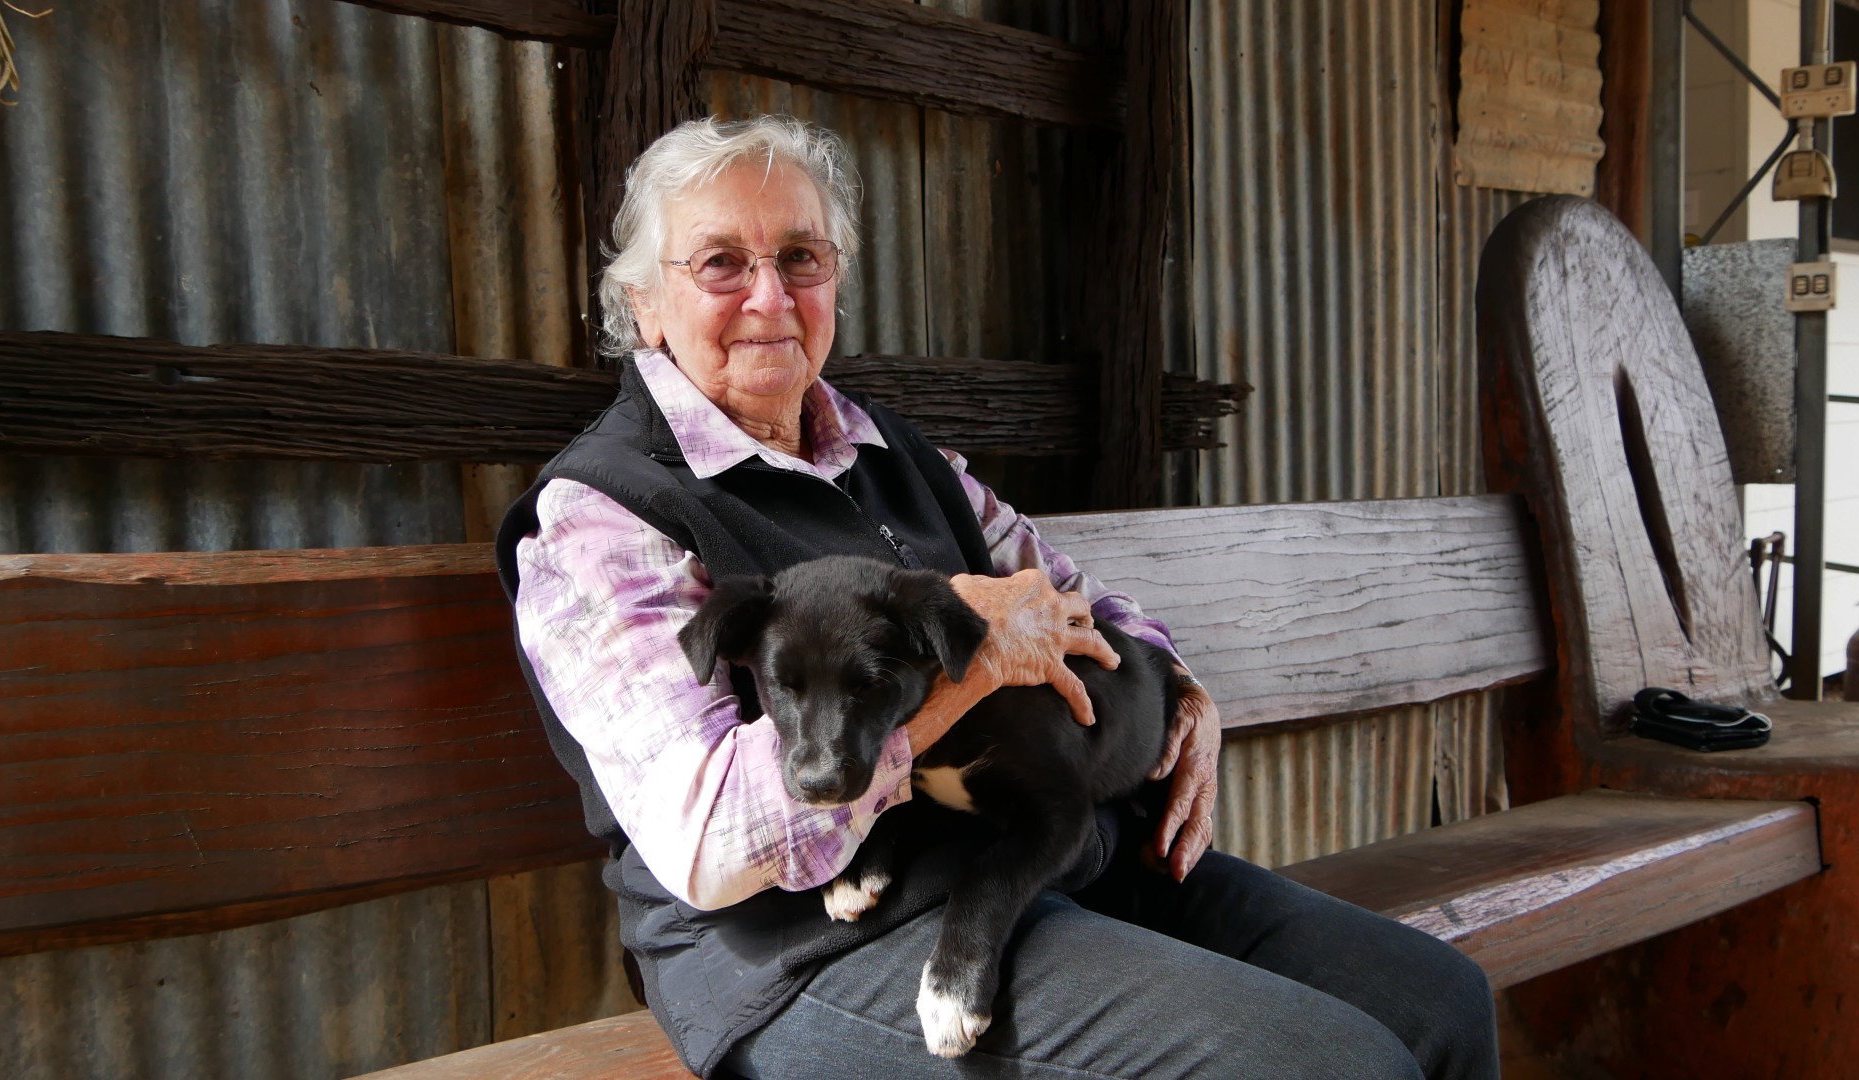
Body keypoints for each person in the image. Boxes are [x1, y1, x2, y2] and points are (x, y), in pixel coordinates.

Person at [495, 115, 1497, 1080]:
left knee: (1440, 1004)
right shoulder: (604, 519)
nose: (769, 294)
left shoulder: (890, 452)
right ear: (647, 304)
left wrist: (1183, 689)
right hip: (807, 951)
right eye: (722, 263)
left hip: (1031, 858)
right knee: (1332, 1065)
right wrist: (973, 672)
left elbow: (1064, 593)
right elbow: (713, 844)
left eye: (803, 257)